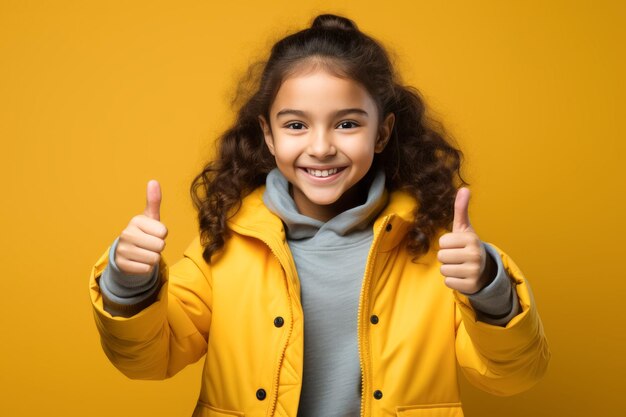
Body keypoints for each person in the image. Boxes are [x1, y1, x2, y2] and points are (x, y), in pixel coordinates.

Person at [88, 13, 550, 417]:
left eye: (347, 123)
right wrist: (130, 283)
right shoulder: (225, 245)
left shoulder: (435, 247)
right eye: (296, 125)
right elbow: (148, 360)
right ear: (268, 136)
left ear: (383, 132)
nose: (322, 146)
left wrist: (490, 287)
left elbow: (513, 376)